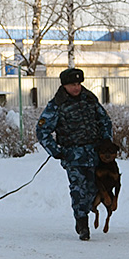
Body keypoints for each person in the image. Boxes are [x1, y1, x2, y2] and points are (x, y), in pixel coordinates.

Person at [37, 67, 113, 240]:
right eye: (72, 84)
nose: (76, 87)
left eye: (78, 83)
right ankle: (82, 223)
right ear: (64, 85)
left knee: (95, 188)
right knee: (78, 189)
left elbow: (105, 120)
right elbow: (42, 131)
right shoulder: (56, 105)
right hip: (72, 156)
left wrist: (107, 141)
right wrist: (56, 151)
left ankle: (85, 213)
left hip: (95, 154)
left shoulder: (89, 99)